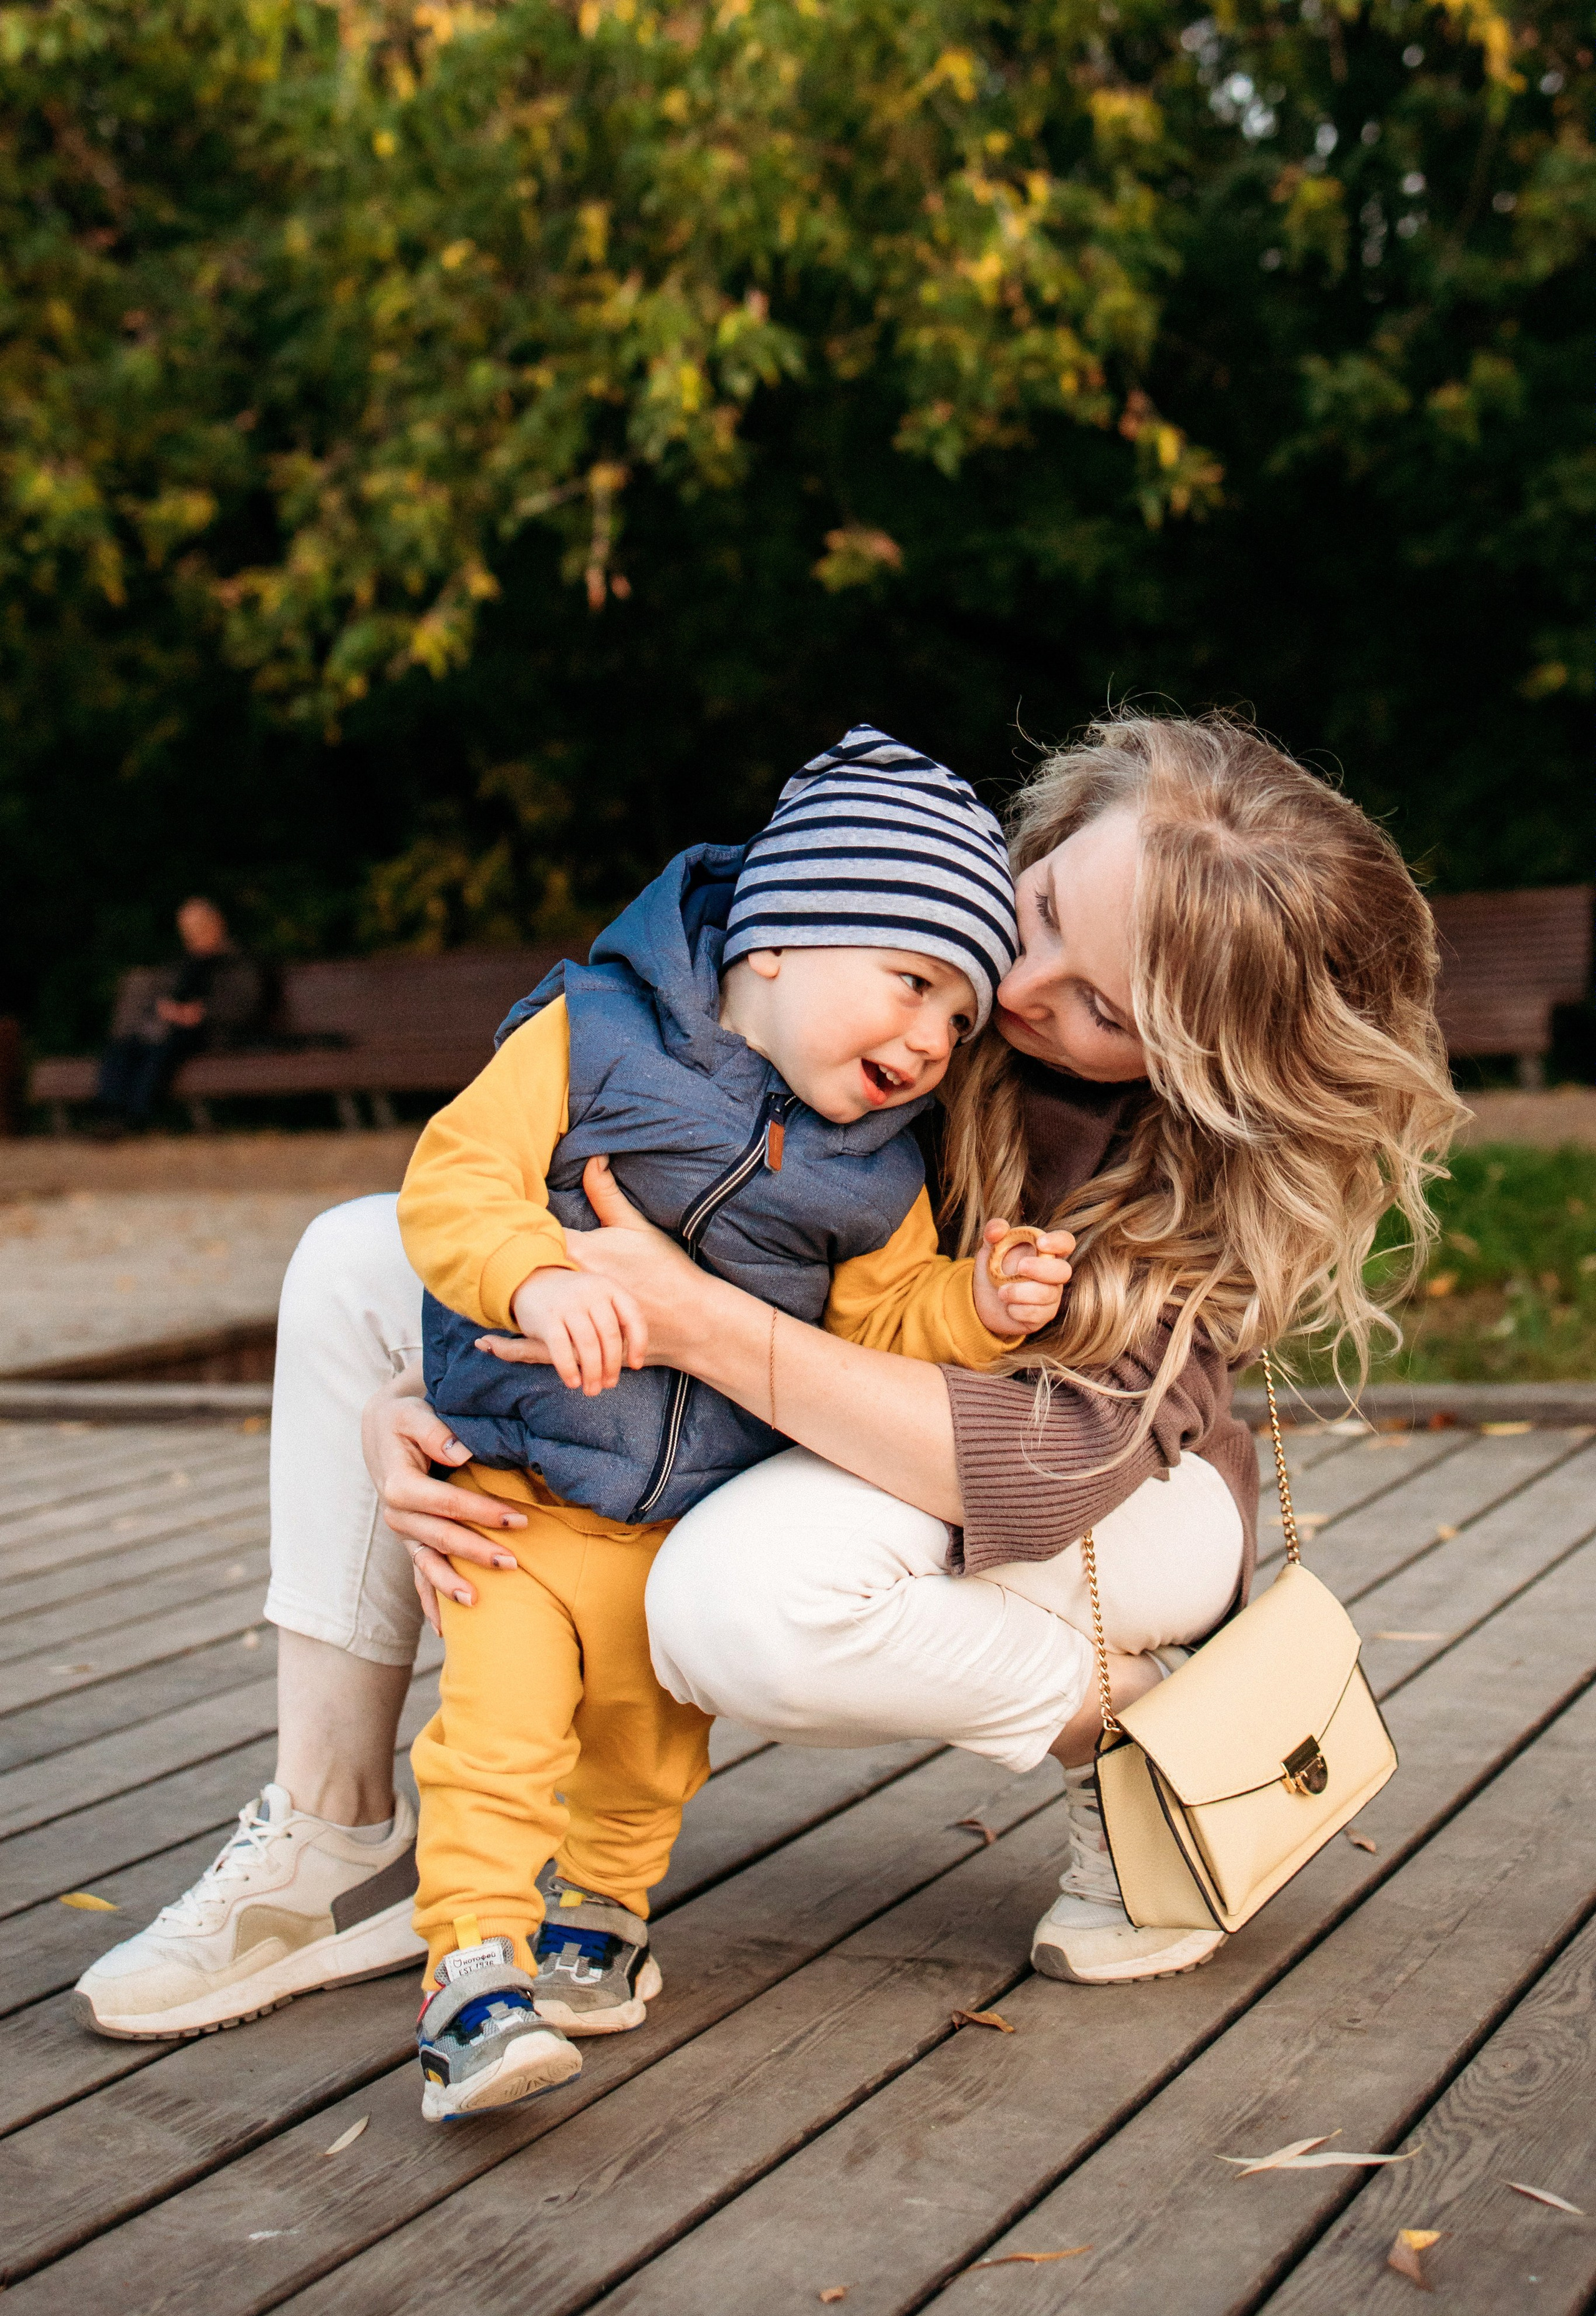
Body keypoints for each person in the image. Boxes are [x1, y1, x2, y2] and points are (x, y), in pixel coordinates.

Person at [73, 711, 1461, 2052]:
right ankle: (337, 1833)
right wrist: (440, 1393)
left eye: (1100, 1006)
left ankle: (1132, 1724)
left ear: (1205, 1064)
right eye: (1037, 911)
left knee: (730, 1602)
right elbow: (589, 1192)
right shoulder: (883, 937)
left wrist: (696, 1325)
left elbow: (1035, 1468)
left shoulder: (1191, 1164)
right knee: (356, 1253)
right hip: (812, 1401)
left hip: (1110, 1504)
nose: (1015, 995)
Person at [397, 728, 1075, 2120]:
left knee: (646, 1751)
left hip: (681, 1516)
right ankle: (468, 1974)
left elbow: (878, 1323)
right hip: (518, 1492)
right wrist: (531, 1274)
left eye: (959, 1020)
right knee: (498, 1737)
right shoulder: (587, 1036)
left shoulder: (877, 1170)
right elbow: (453, 1183)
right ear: (773, 943)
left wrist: (975, 1305)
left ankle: (601, 1916)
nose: (930, 1041)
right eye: (912, 983)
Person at [94, 897, 263, 1134]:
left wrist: (202, 1013)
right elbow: (166, 994)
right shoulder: (184, 962)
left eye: (199, 927)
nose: (193, 935)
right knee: (126, 1045)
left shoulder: (238, 961)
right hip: (174, 1028)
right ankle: (109, 1115)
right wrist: (167, 1008)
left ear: (217, 923)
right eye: (188, 930)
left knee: (161, 1047)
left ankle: (135, 1117)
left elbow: (246, 1004)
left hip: (214, 1033)